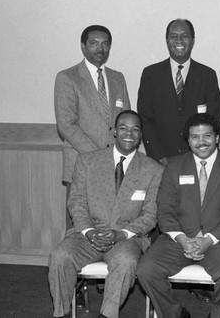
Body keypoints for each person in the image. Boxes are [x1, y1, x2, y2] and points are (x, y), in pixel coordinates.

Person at [48, 110, 163, 318]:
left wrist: (122, 234)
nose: (129, 133)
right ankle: (61, 313)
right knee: (60, 256)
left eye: (135, 129)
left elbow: (151, 214)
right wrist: (90, 232)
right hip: (87, 235)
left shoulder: (153, 169)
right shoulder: (87, 161)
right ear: (114, 132)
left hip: (127, 238)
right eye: (123, 128)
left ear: (140, 135)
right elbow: (76, 202)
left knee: (126, 262)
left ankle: (107, 315)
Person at [137, 113, 220, 318]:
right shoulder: (173, 165)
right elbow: (164, 209)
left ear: (217, 137)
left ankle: (216, 315)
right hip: (178, 239)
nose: (201, 142)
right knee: (146, 269)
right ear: (188, 140)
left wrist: (207, 240)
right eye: (195, 137)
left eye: (207, 136)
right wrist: (182, 239)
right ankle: (175, 314)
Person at [55, 25, 130, 229]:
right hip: (82, 162)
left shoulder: (118, 77)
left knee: (111, 222)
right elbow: (66, 124)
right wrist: (100, 157)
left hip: (116, 165)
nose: (100, 48)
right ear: (83, 47)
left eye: (105, 44)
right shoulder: (67, 77)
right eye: (94, 43)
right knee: (78, 223)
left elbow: (126, 121)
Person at [137, 18, 220, 165]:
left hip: (198, 158)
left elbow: (213, 119)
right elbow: (145, 119)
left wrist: (201, 154)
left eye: (185, 35)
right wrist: (160, 156)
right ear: (167, 40)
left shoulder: (207, 75)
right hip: (160, 160)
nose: (179, 40)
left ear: (193, 40)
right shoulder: (151, 74)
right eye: (173, 36)